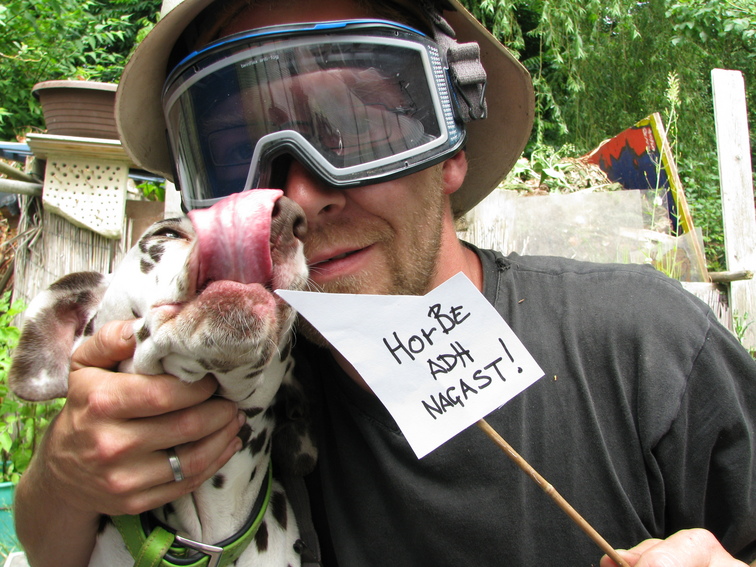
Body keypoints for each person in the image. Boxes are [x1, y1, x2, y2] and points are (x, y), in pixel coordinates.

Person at [14, 0, 756, 565]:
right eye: (238, 149)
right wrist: (63, 472)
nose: (299, 197)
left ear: (451, 147)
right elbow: (54, 547)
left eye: (355, 126)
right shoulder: (237, 388)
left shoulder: (646, 350)